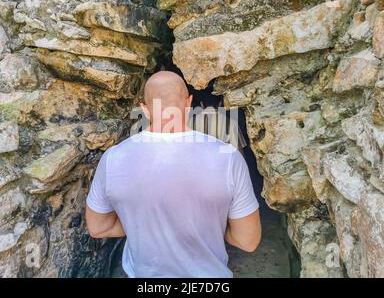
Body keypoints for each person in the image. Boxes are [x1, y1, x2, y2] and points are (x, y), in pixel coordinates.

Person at [85, 71, 261, 278]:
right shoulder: (229, 158)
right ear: (188, 103)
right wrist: (208, 226)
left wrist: (140, 226)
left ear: (144, 109)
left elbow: (98, 228)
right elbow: (247, 241)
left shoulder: (113, 158)